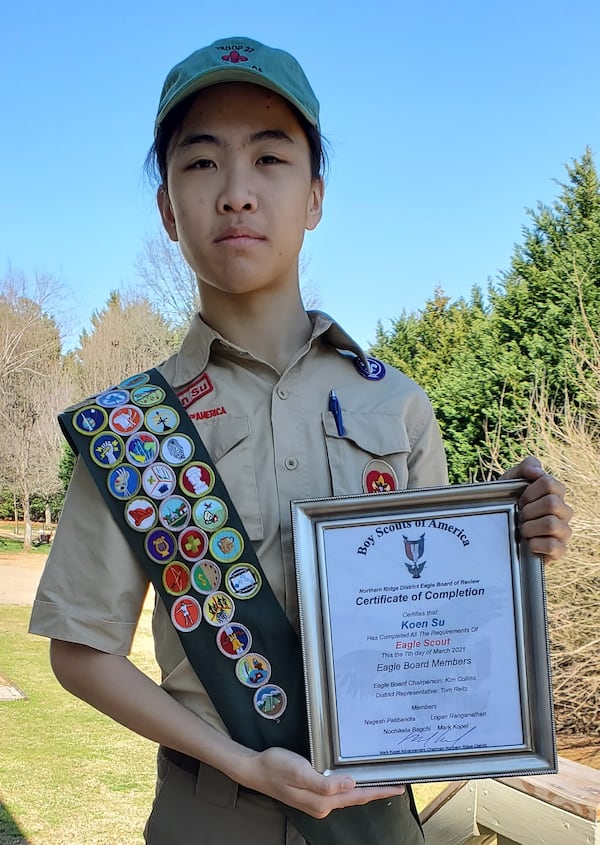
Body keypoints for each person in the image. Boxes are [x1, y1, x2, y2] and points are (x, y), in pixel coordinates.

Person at [29, 36, 573, 845]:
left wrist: (518, 538)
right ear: (167, 208)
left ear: (316, 196)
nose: (238, 193)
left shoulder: (398, 402)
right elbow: (80, 650)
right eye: (202, 162)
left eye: (271, 159)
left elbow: (450, 618)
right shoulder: (135, 428)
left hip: (375, 817)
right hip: (207, 815)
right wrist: (241, 760)